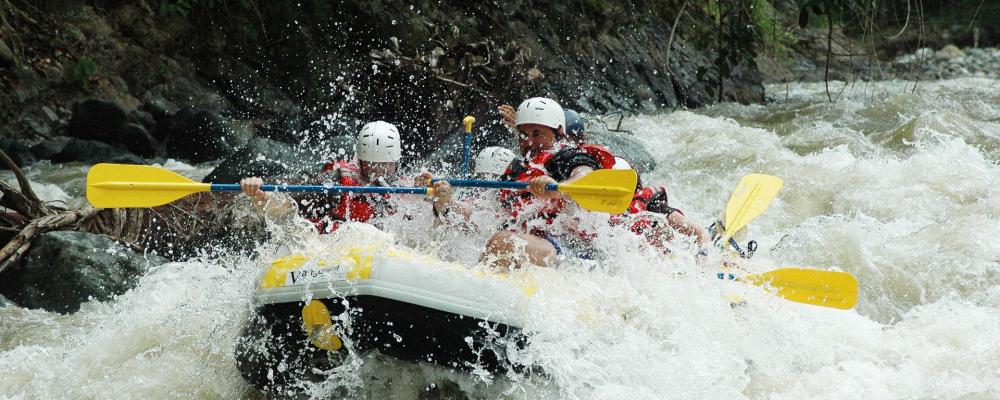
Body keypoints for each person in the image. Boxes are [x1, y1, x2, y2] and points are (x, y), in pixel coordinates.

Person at [501, 104, 709, 253]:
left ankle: (707, 244)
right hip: (563, 234)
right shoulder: (528, 165)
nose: (529, 141)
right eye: (524, 135)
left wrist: (557, 188)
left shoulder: (573, 157)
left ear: (561, 135)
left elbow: (582, 175)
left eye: (536, 133)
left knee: (673, 227)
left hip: (603, 234)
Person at [240, 121, 451, 233]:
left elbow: (430, 231)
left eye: (385, 164)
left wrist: (439, 201)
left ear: (397, 159)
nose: (378, 170)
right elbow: (285, 206)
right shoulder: (333, 183)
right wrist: (258, 194)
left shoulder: (404, 190)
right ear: (360, 159)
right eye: (372, 163)